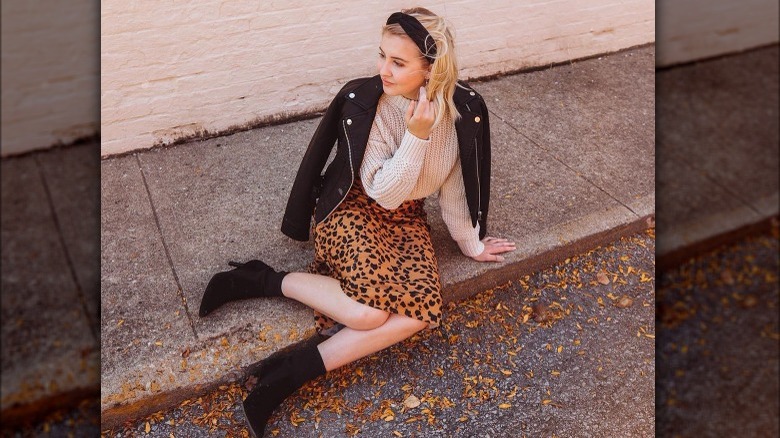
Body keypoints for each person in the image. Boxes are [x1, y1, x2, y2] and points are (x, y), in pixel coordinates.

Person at [198, 7, 516, 437]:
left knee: (421, 312)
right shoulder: (372, 105)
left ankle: (289, 370)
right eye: (382, 55)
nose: (383, 70)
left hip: (405, 217)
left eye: (398, 62)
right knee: (369, 314)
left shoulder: (464, 110)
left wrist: (471, 243)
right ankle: (265, 282)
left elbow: (456, 188)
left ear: (431, 68)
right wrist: (416, 136)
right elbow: (383, 190)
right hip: (351, 205)